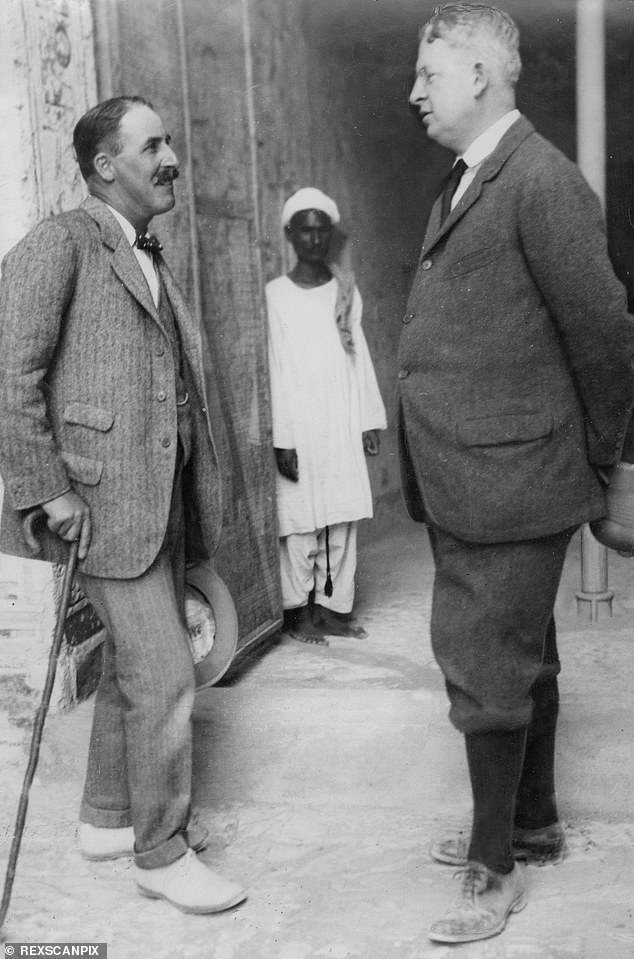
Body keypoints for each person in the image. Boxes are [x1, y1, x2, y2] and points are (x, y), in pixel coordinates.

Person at [399, 3, 634, 944]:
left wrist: (605, 459)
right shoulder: (469, 179)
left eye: (430, 73)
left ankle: (493, 870)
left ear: (483, 78)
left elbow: (608, 335)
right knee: (522, 658)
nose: (414, 92)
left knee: (485, 667)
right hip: (483, 474)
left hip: (509, 481)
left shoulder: (539, 180)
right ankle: (529, 825)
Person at [0, 96, 246, 915]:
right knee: (166, 673)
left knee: (132, 666)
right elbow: (11, 374)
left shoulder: (148, 250)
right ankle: (160, 852)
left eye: (169, 140)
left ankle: (108, 818)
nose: (171, 156)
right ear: (107, 166)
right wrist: (49, 488)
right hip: (100, 506)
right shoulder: (62, 242)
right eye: (154, 145)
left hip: (160, 499)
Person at [266, 187, 387, 645]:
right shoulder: (275, 295)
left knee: (340, 513)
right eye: (305, 231)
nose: (314, 240)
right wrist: (283, 438)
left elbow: (360, 357)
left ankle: (333, 609)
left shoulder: (345, 291)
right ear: (291, 235)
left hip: (340, 415)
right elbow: (275, 367)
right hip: (297, 418)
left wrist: (367, 419)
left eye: (322, 231)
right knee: (299, 520)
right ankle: (298, 612)